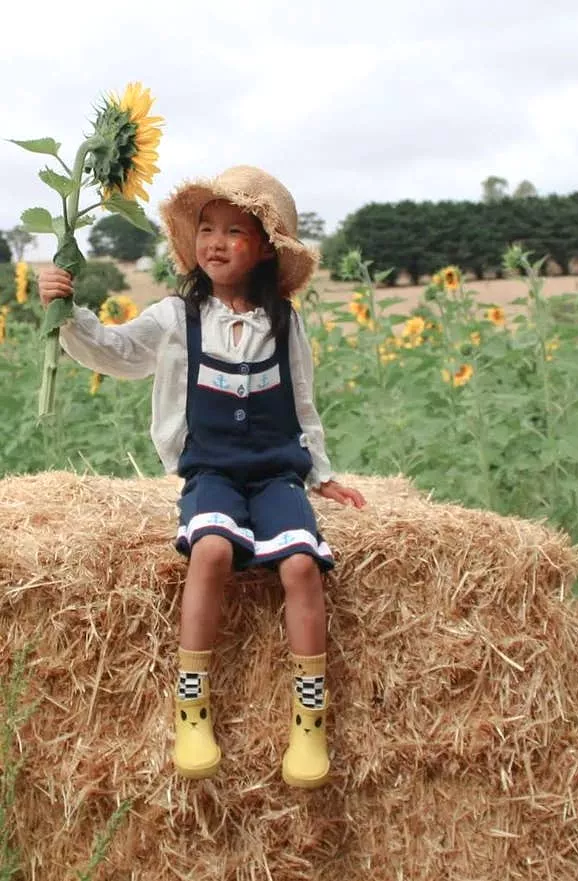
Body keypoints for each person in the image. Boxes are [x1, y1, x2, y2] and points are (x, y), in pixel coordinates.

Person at [39, 165, 367, 788]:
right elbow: (114, 349)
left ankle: (309, 717)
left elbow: (302, 403)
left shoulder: (285, 322)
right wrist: (66, 310)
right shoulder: (175, 318)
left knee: (301, 565)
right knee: (210, 550)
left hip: (276, 475)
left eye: (233, 231)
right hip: (210, 470)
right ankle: (192, 704)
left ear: (266, 248)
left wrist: (321, 475)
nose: (214, 241)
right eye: (206, 229)